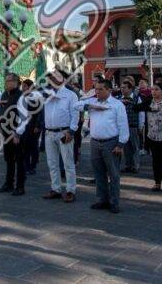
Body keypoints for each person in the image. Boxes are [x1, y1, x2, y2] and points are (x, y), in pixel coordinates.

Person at [80, 79, 129, 211]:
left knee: (113, 174)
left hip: (111, 142)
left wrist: (121, 144)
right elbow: (75, 105)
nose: (97, 92)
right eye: (96, 89)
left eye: (100, 89)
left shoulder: (117, 105)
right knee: (98, 173)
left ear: (109, 90)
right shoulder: (92, 102)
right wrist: (88, 104)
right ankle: (102, 199)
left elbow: (123, 126)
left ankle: (114, 202)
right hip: (95, 142)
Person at [39, 71, 80, 203]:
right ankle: (55, 188)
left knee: (68, 163)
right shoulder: (47, 94)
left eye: (55, 77)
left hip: (64, 132)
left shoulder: (70, 95)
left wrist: (72, 131)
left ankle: (70, 190)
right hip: (49, 132)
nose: (52, 80)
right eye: (50, 78)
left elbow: (75, 115)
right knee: (52, 163)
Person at [0, 73, 25, 195]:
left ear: (16, 82)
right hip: (5, 132)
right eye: (5, 80)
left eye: (8, 81)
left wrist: (17, 133)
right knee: (8, 159)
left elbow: (24, 117)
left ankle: (20, 186)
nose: (6, 83)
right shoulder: (4, 94)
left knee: (19, 160)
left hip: (16, 133)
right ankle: (8, 183)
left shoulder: (21, 96)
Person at [19, 79, 44, 175]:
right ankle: (26, 166)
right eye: (22, 86)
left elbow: (40, 112)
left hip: (34, 125)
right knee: (25, 146)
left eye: (24, 86)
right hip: (24, 125)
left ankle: (33, 166)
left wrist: (38, 125)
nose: (22, 88)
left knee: (33, 146)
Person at [118, 80, 143, 174]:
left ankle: (136, 165)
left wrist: (141, 125)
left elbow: (141, 113)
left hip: (133, 125)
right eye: (121, 88)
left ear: (130, 89)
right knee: (125, 147)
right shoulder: (119, 99)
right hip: (122, 127)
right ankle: (127, 165)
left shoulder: (137, 98)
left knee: (135, 146)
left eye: (124, 88)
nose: (122, 90)